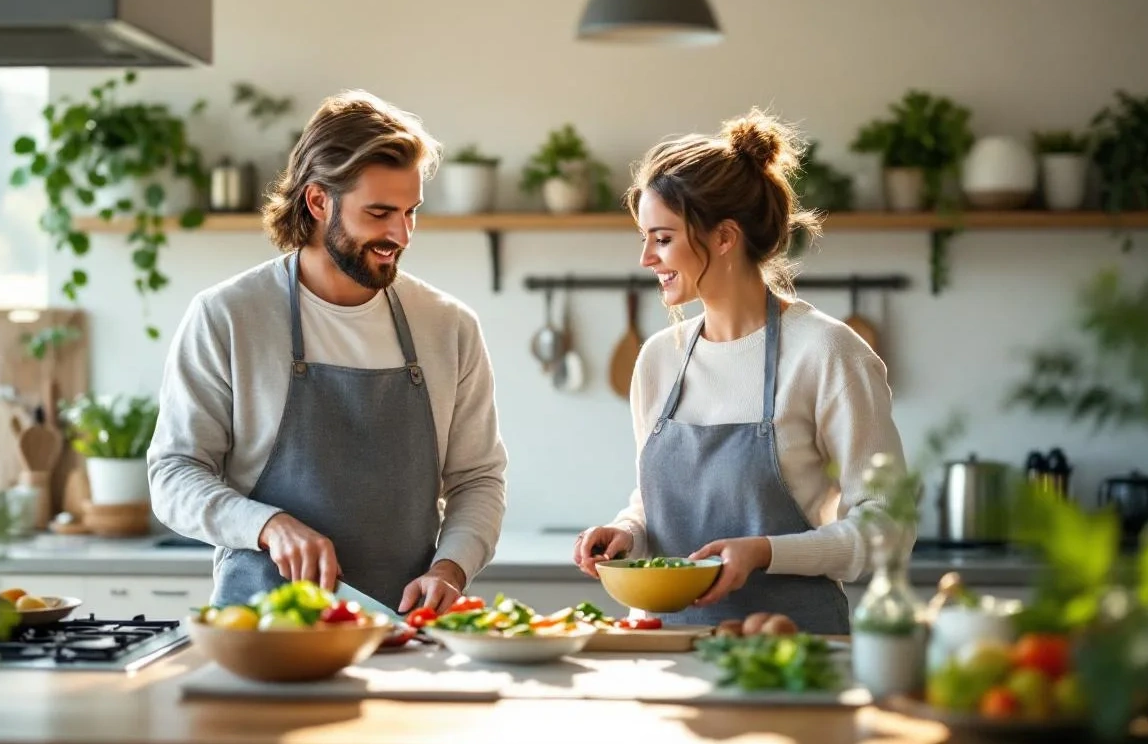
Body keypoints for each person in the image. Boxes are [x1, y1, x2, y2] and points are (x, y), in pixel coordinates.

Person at [148, 90, 508, 615]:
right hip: (262, 630)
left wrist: (450, 568)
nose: (400, 234)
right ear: (318, 202)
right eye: (380, 213)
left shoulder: (448, 326)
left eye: (411, 213)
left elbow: (478, 478)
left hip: (401, 632)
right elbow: (174, 473)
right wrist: (268, 526)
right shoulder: (228, 316)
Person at [572, 109, 906, 635]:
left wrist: (766, 552)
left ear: (725, 237)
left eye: (661, 238)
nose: (645, 259)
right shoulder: (660, 357)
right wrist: (625, 532)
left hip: (794, 650)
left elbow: (888, 525)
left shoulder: (827, 352)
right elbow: (655, 503)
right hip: (666, 646)